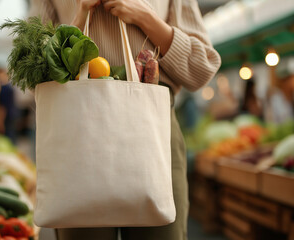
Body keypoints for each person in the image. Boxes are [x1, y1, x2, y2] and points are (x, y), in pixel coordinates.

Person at [30, 0, 221, 239]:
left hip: (153, 128)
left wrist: (145, 17)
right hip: (78, 129)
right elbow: (30, 76)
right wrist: (78, 20)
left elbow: (201, 68)